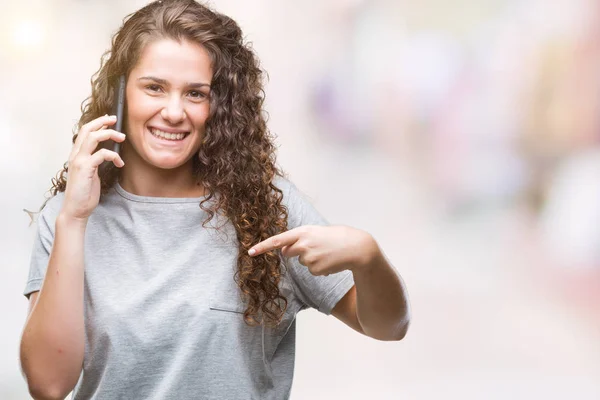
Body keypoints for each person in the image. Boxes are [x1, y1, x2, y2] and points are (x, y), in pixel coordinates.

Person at [19, 1, 411, 399]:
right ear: (119, 95)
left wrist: (368, 256)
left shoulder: (265, 208)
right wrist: (74, 219)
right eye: (154, 87)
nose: (173, 112)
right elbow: (48, 385)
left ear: (220, 106)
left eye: (195, 93)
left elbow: (388, 327)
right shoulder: (69, 217)